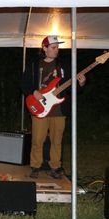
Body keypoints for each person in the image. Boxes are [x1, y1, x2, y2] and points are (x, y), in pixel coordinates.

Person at [21, 35, 86, 179]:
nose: (57, 50)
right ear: (44, 48)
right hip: (40, 107)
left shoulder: (64, 66)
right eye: (53, 47)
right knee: (38, 139)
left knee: (57, 140)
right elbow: (24, 83)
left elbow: (71, 88)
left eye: (57, 47)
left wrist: (80, 84)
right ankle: (35, 166)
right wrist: (33, 92)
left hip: (59, 109)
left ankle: (55, 167)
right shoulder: (33, 65)